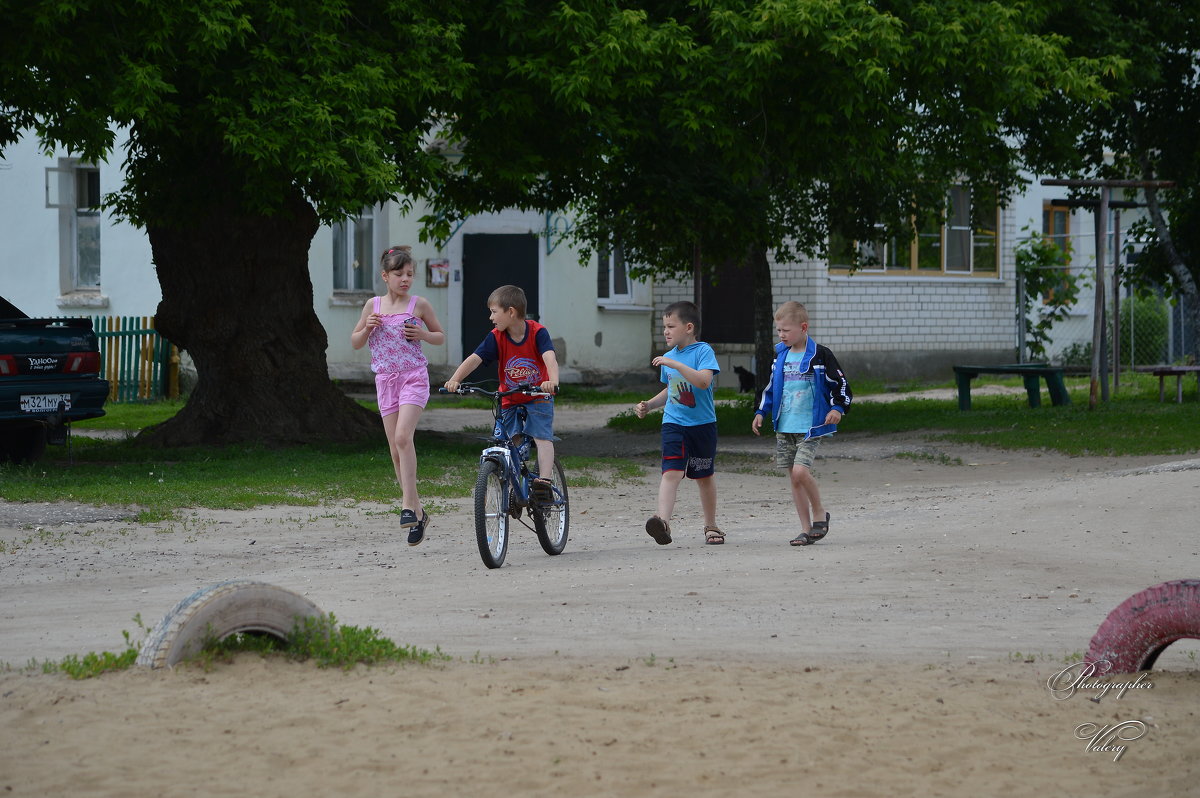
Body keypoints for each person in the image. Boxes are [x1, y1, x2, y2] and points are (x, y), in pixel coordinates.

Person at [351, 245, 445, 546]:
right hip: (385, 381)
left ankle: (407, 505)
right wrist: (367, 328)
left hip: (414, 378)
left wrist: (423, 335)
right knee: (394, 448)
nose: (405, 279)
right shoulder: (372, 305)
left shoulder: (419, 305)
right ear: (385, 276)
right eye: (399, 274)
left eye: (409, 274)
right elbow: (355, 342)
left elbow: (439, 336)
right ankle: (418, 512)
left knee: (404, 437)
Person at [443, 285, 560, 499]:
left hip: (538, 396)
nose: (490, 317)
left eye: (494, 311)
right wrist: (455, 380)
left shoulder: (537, 332)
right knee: (509, 440)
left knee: (542, 436)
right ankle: (515, 486)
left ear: (511, 312)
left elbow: (549, 357)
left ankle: (544, 482)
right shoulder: (496, 336)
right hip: (509, 398)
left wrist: (552, 382)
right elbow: (475, 358)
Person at [751, 300, 852, 546]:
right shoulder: (781, 356)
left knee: (800, 471)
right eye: (779, 330)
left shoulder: (821, 355)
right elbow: (771, 388)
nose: (782, 335)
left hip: (810, 427)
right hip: (784, 426)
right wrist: (761, 411)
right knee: (794, 478)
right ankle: (806, 530)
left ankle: (819, 513)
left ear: (803, 327)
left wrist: (838, 408)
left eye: (786, 330)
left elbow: (841, 386)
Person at [634, 300, 723, 545]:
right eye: (664, 326)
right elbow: (671, 389)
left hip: (703, 425)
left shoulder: (703, 352)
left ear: (689, 328)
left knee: (703, 476)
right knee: (671, 472)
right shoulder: (669, 358)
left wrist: (675, 363)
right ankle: (662, 522)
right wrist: (649, 405)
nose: (666, 331)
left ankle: (711, 525)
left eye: (671, 326)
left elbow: (703, 382)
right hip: (673, 423)